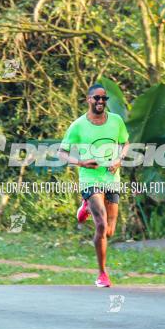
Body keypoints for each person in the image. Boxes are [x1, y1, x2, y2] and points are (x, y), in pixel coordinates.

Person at [58, 84, 129, 287]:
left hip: (111, 180)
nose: (100, 102)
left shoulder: (116, 121)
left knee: (109, 231)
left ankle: (85, 207)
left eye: (103, 99)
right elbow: (61, 153)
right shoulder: (79, 125)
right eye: (96, 98)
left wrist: (119, 160)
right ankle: (102, 274)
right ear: (88, 100)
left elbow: (125, 143)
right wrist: (81, 163)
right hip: (90, 178)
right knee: (101, 224)